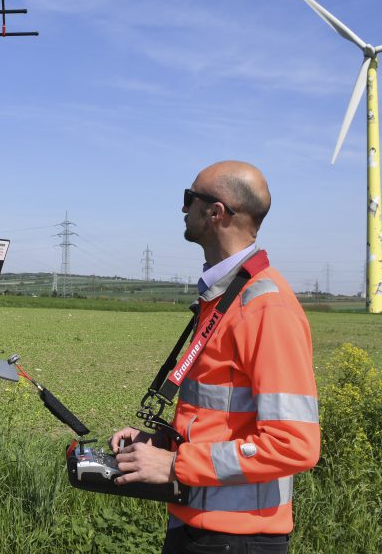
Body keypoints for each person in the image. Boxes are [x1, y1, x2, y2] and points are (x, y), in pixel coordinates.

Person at [109, 161, 320, 554]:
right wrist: (160, 445)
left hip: (236, 539)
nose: (183, 209)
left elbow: (295, 444)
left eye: (189, 198)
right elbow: (220, 417)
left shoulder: (265, 308)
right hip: (199, 527)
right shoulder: (227, 296)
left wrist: (174, 466)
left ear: (216, 212)